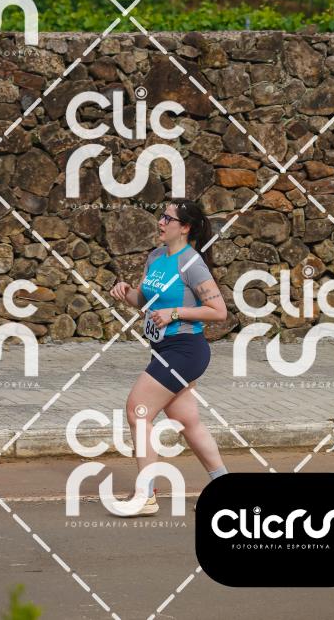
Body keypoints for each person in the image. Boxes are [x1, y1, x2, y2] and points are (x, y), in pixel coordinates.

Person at [110, 198, 229, 515]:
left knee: (138, 411)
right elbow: (144, 301)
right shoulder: (156, 256)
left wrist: (175, 312)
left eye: (168, 218)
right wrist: (125, 293)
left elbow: (218, 311)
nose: (160, 222)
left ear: (185, 227)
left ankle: (146, 495)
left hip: (186, 350)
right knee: (187, 422)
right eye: (161, 216)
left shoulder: (192, 264)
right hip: (163, 349)